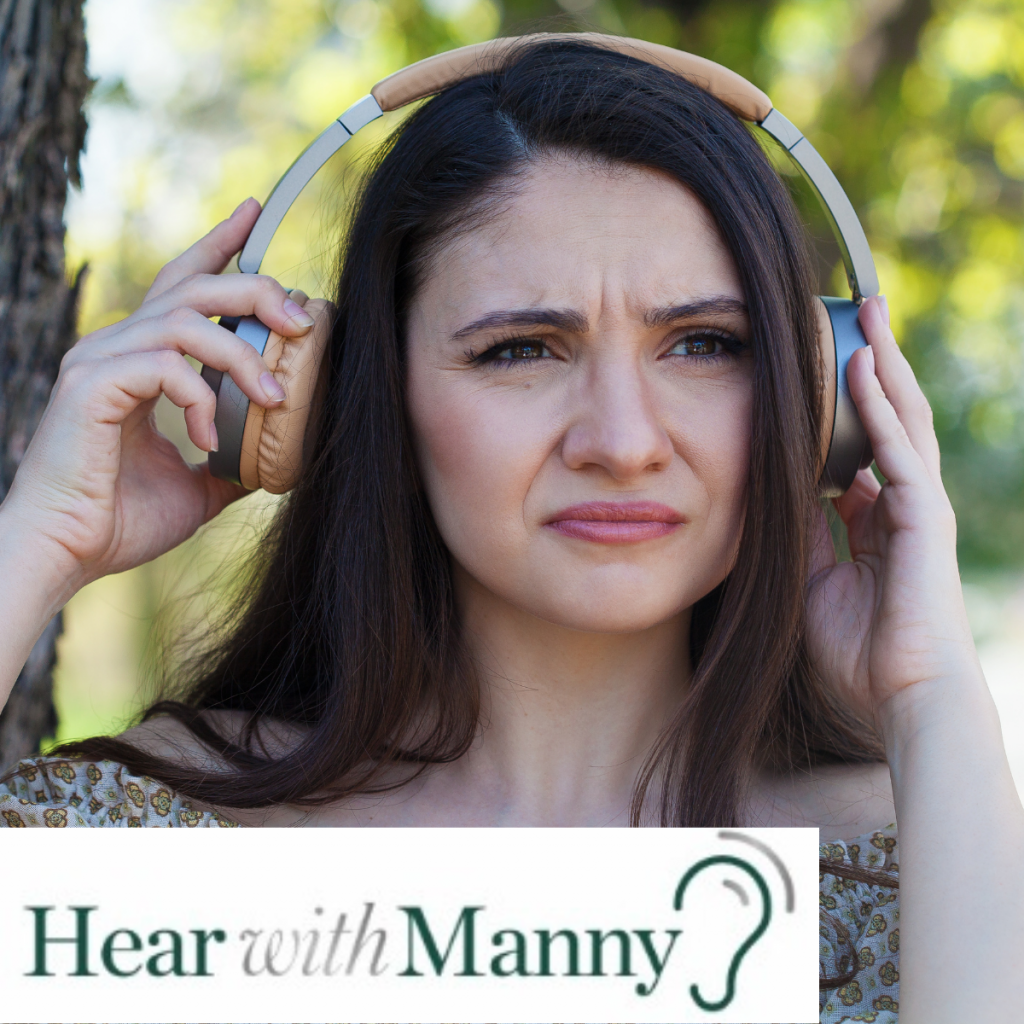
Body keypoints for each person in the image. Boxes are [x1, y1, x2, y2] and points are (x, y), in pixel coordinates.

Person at [0, 36, 1020, 1021]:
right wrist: (39, 543)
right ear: (356, 400)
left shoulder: (935, 859)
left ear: (824, 408)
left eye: (705, 344)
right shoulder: (147, 848)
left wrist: (928, 694)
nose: (622, 441)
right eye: (521, 350)